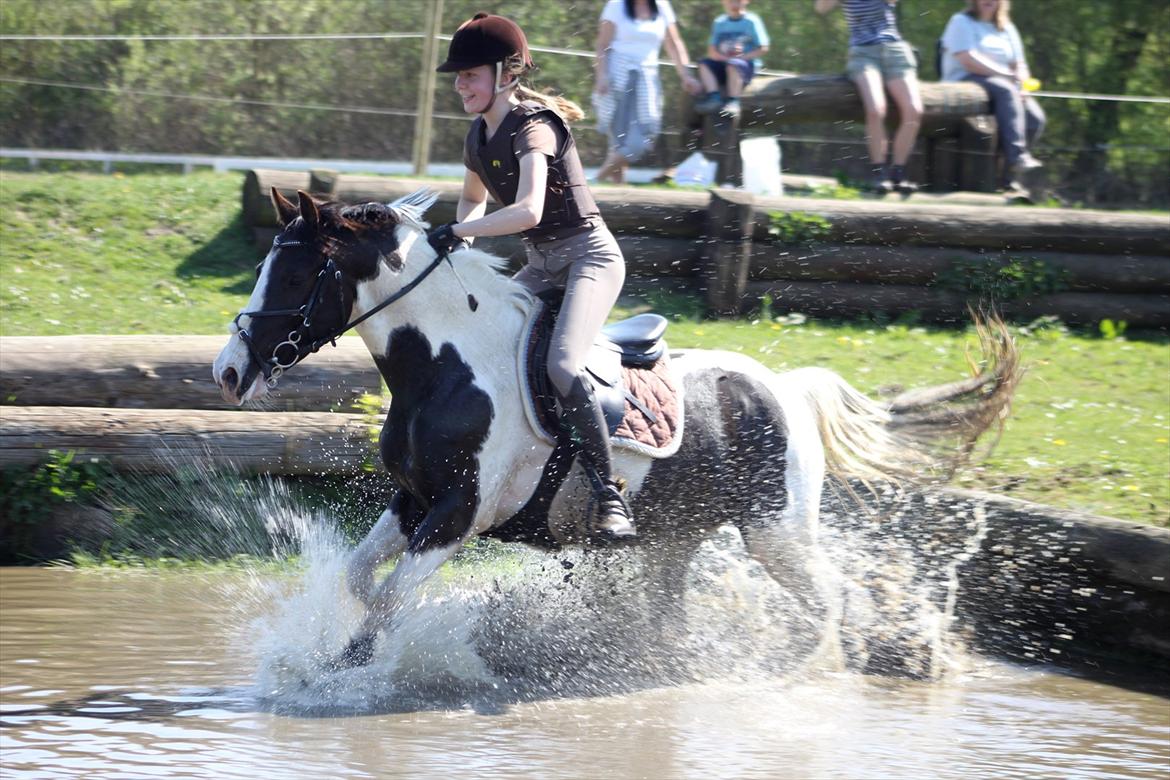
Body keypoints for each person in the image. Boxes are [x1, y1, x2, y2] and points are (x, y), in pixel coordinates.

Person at [427, 13, 636, 541]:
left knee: (562, 366)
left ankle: (609, 493)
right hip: (542, 266)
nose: (459, 85)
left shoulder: (534, 126)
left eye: (469, 75)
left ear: (504, 74)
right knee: (485, 346)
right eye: (458, 77)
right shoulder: (478, 137)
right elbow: (473, 199)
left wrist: (455, 231)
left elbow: (528, 211)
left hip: (590, 258)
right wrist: (460, 249)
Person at [815, 0, 923, 194]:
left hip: (894, 49)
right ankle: (879, 173)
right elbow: (820, 8)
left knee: (914, 110)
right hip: (863, 54)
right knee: (875, 109)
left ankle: (898, 172)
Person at [940, 0, 1044, 192]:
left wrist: (1022, 83)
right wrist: (1005, 75)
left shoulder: (1007, 28)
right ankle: (1017, 156)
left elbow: (1019, 64)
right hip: (966, 80)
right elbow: (967, 60)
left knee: (1035, 118)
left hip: (1006, 86)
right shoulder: (960, 21)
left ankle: (1009, 179)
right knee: (1006, 90)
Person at [593, 0, 702, 184]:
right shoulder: (616, 6)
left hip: (647, 78)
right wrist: (601, 76)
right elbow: (602, 44)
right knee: (619, 140)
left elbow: (674, 43)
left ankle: (596, 179)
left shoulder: (662, 7)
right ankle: (618, 195)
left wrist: (686, 75)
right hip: (618, 77)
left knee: (644, 137)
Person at [694, 0, 770, 119]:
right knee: (704, 64)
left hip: (745, 65)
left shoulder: (751, 21)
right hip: (724, 63)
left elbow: (763, 48)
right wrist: (724, 58)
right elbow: (712, 51)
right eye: (731, 1)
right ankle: (714, 97)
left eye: (738, 1)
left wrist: (743, 57)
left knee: (733, 64)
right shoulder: (719, 22)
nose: (734, 5)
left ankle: (733, 101)